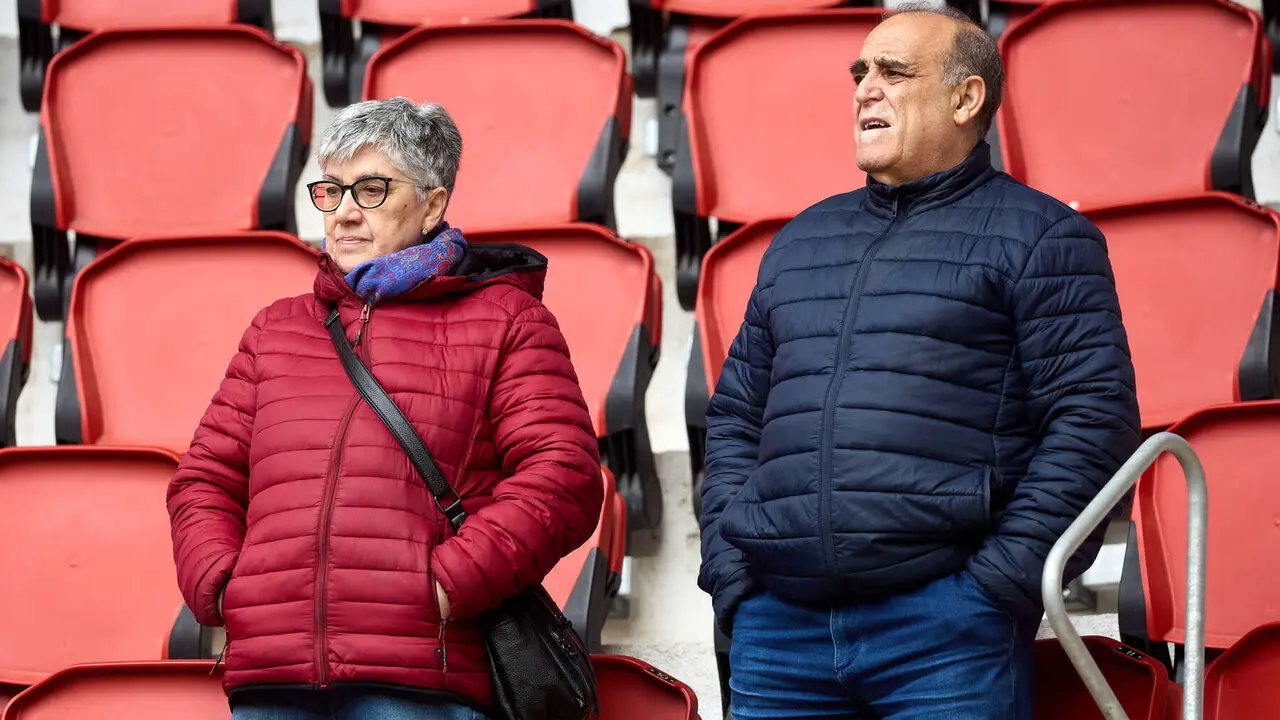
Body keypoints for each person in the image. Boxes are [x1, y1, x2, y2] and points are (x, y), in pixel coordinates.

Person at [697, 5, 1141, 719]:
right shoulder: (800, 240)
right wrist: (733, 576)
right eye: (860, 73)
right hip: (779, 629)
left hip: (947, 631)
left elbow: (1094, 426)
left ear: (967, 99)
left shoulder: (1046, 237)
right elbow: (736, 418)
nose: (866, 88)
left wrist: (999, 585)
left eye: (894, 72)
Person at [167, 97, 605, 720]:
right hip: (272, 680)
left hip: (421, 684)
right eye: (330, 191)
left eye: (370, 189)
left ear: (432, 203)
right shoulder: (276, 328)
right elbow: (204, 479)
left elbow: (562, 477)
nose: (344, 212)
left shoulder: (507, 318)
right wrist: (225, 584)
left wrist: (445, 587)